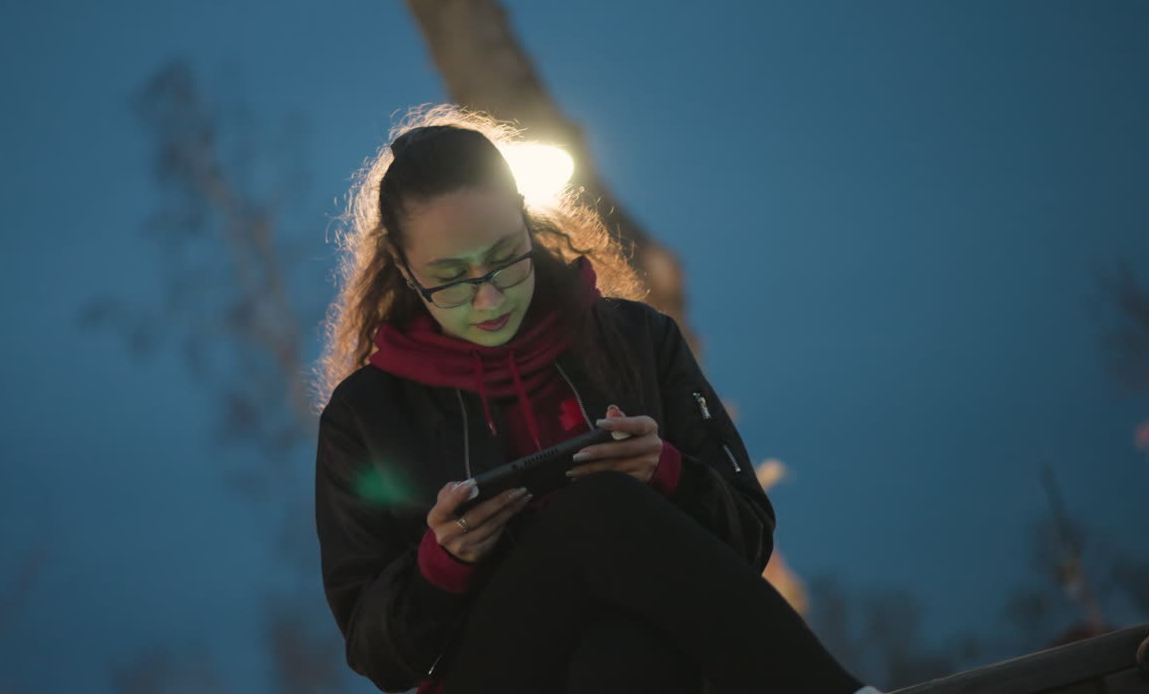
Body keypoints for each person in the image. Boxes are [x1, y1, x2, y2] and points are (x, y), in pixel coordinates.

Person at [313, 106, 881, 694]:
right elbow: (376, 654)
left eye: (507, 258)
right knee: (598, 509)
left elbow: (750, 540)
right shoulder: (367, 415)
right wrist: (442, 564)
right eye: (452, 278)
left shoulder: (638, 342)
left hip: (642, 667)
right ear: (406, 272)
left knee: (625, 646)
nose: (488, 299)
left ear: (528, 226)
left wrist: (668, 474)